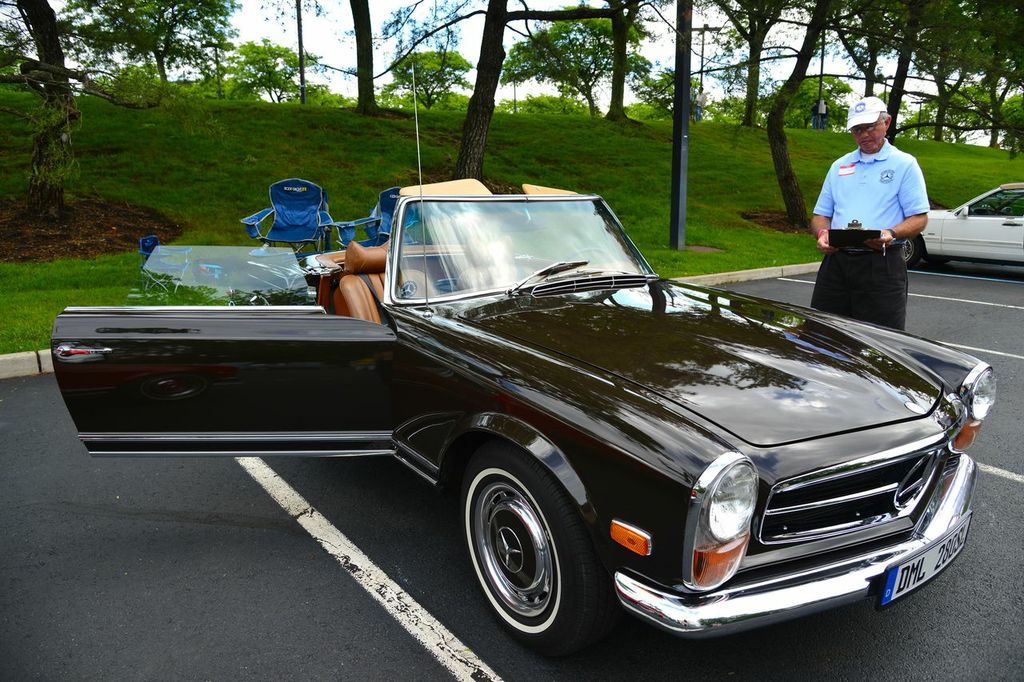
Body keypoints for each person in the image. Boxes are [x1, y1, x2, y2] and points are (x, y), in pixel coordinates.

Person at [810, 96, 929, 331]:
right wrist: (823, 233)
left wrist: (891, 232)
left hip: (881, 263)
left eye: (870, 127)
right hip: (837, 262)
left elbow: (919, 218)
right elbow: (820, 215)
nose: (863, 135)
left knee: (882, 342)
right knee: (823, 334)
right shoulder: (839, 166)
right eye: (856, 129)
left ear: (887, 122)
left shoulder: (904, 164)